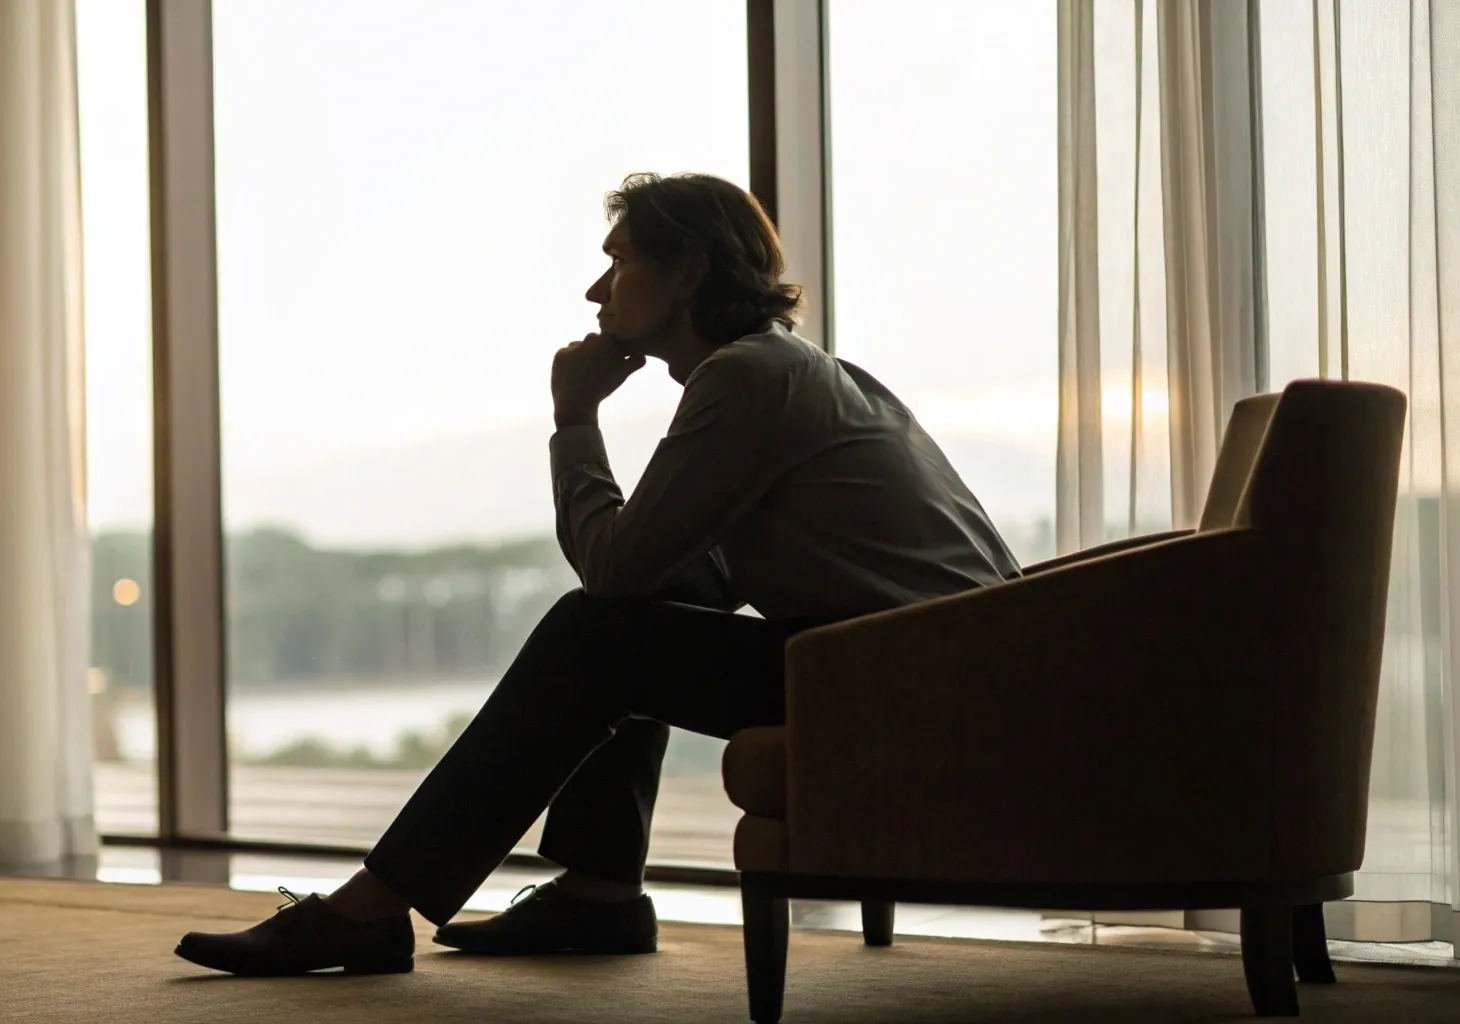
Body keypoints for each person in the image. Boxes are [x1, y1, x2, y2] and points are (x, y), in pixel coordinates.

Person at [175, 172, 1019, 977]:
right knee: (637, 612)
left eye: (619, 260)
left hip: (911, 678)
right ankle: (598, 894)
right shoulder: (787, 370)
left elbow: (612, 571)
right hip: (942, 665)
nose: (595, 291)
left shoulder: (748, 377)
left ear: (687, 271)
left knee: (594, 631)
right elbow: (670, 573)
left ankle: (374, 906)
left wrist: (574, 418)